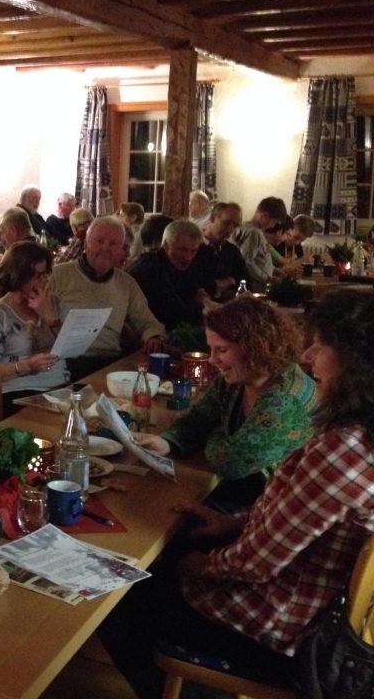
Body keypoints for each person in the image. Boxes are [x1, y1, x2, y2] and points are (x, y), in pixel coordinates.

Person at [101, 290, 374, 699]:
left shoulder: (341, 451)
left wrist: (199, 566)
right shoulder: (359, 435)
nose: (307, 357)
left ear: (355, 362)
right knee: (168, 545)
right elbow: (297, 516)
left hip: (280, 628)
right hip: (310, 608)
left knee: (117, 594)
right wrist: (234, 522)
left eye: (320, 346)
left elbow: (256, 564)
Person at [134, 296, 316, 510]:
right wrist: (167, 442)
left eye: (221, 350)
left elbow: (231, 463)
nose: (212, 359)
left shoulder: (284, 401)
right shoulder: (239, 376)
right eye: (211, 349)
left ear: (256, 347)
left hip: (271, 507)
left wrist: (216, 432)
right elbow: (200, 417)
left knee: (160, 508)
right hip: (247, 492)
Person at [50, 216, 165, 379]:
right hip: (65, 363)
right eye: (99, 241)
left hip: (110, 362)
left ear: (122, 250)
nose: (105, 248)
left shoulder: (126, 283)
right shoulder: (58, 275)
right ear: (86, 244)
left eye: (113, 244)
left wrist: (153, 336)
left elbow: (146, 321)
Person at [0, 241, 67, 415]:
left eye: (46, 273)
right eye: (38, 276)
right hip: (18, 392)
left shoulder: (53, 303)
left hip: (60, 386)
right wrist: (27, 366)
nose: (45, 280)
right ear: (19, 277)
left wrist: (50, 318)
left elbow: (71, 347)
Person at [126, 219, 212, 330]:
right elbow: (178, 316)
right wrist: (200, 303)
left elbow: (199, 292)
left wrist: (201, 300)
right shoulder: (150, 269)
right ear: (166, 245)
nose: (188, 257)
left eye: (193, 251)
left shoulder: (181, 264)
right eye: (182, 250)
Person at [188, 202, 248, 302]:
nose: (230, 229)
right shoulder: (192, 248)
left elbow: (246, 282)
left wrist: (218, 286)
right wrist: (230, 281)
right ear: (212, 218)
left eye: (235, 225)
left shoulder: (232, 250)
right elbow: (194, 285)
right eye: (226, 223)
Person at [231, 196, 289, 289]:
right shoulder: (253, 232)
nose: (272, 226)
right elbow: (247, 262)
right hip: (254, 285)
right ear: (265, 216)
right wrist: (267, 278)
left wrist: (273, 269)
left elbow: (260, 259)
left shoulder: (257, 230)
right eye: (274, 222)